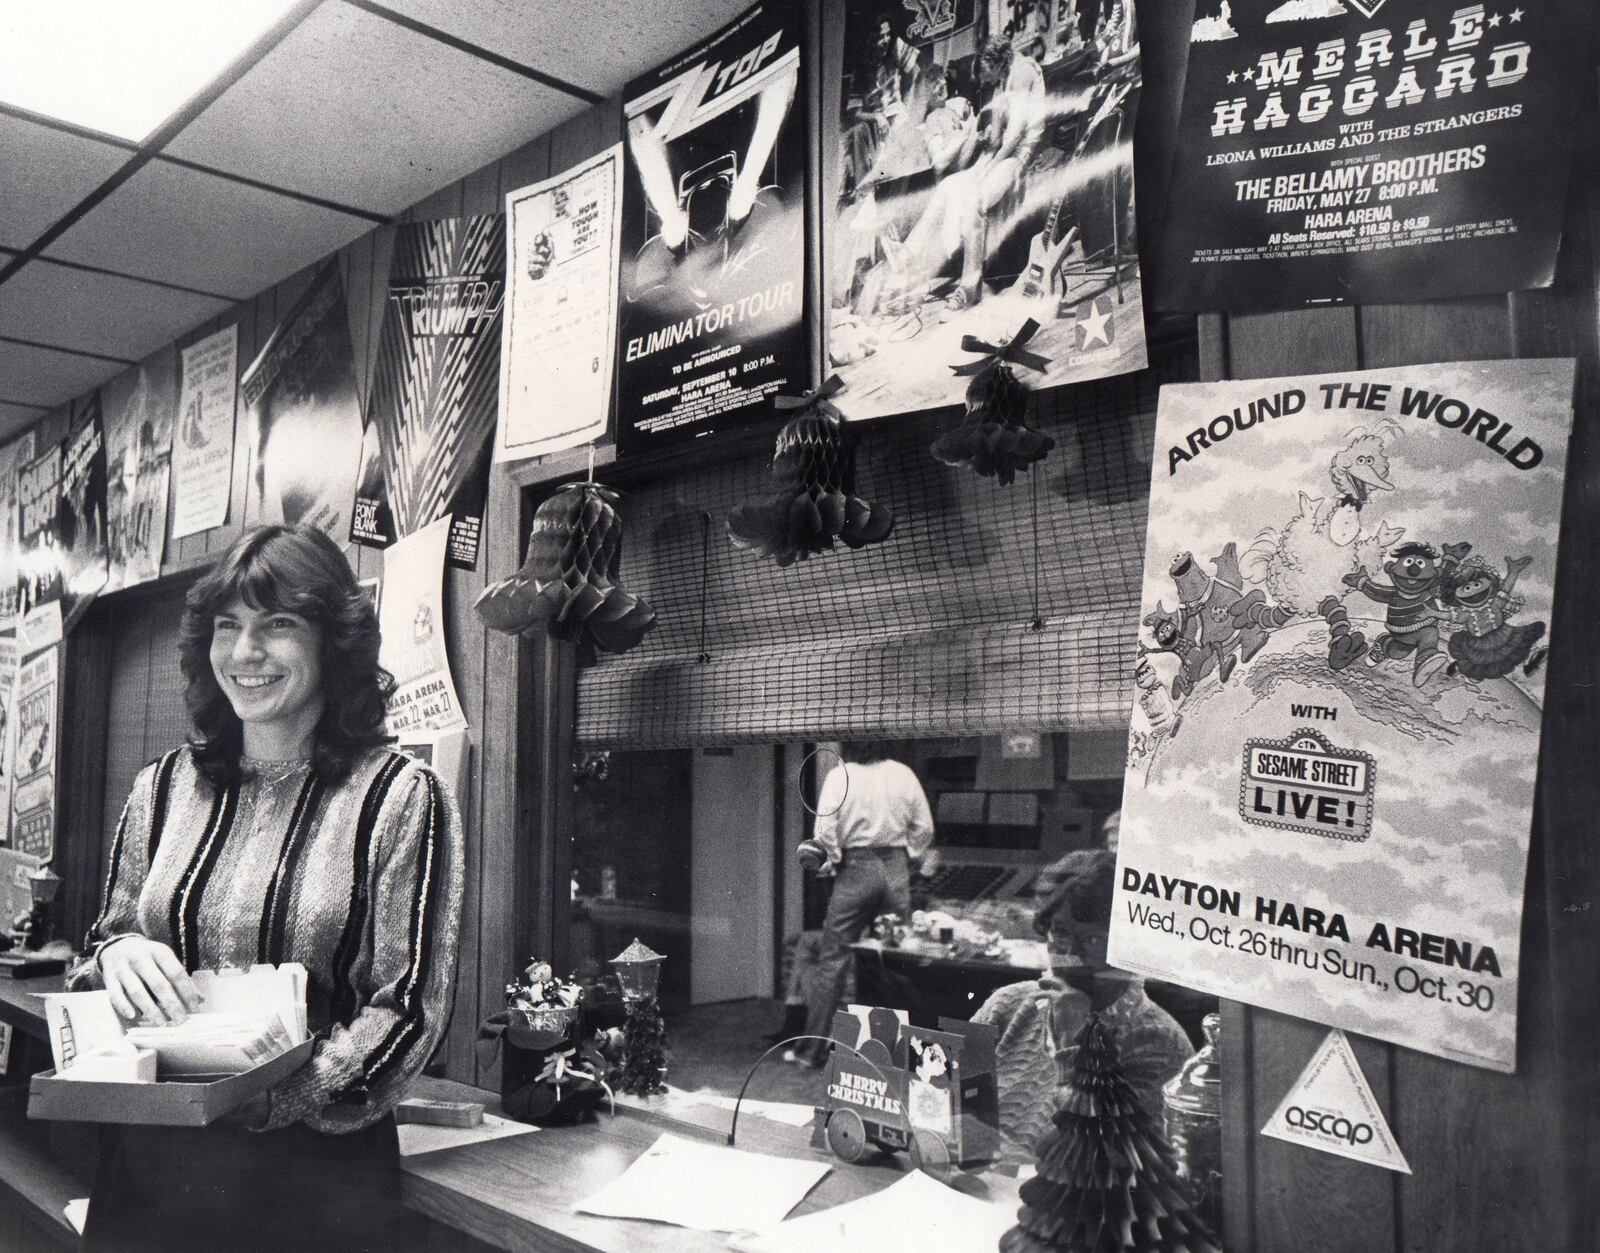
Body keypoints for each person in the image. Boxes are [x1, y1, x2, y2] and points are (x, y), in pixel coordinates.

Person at [68, 524, 465, 1252]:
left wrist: (269, 1097)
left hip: (313, 1187)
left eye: (277, 624)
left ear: (332, 641)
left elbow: (408, 1011)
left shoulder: (403, 797)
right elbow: (101, 945)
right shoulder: (160, 788)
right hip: (149, 1167)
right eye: (229, 626)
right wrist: (119, 953)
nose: (245, 652)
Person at [972, 847, 1191, 1162]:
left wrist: (1074, 1043)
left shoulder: (1159, 1043)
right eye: (1060, 932)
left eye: (1093, 941)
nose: (1070, 955)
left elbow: (1106, 1165)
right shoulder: (1008, 1005)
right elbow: (950, 1108)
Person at [796, 743, 934, 1064]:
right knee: (895, 958)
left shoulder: (840, 776)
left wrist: (832, 862)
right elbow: (924, 827)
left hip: (855, 869)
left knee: (833, 959)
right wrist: (908, 856)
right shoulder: (903, 773)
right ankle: (897, 1054)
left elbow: (825, 830)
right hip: (895, 869)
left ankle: (811, 1050)